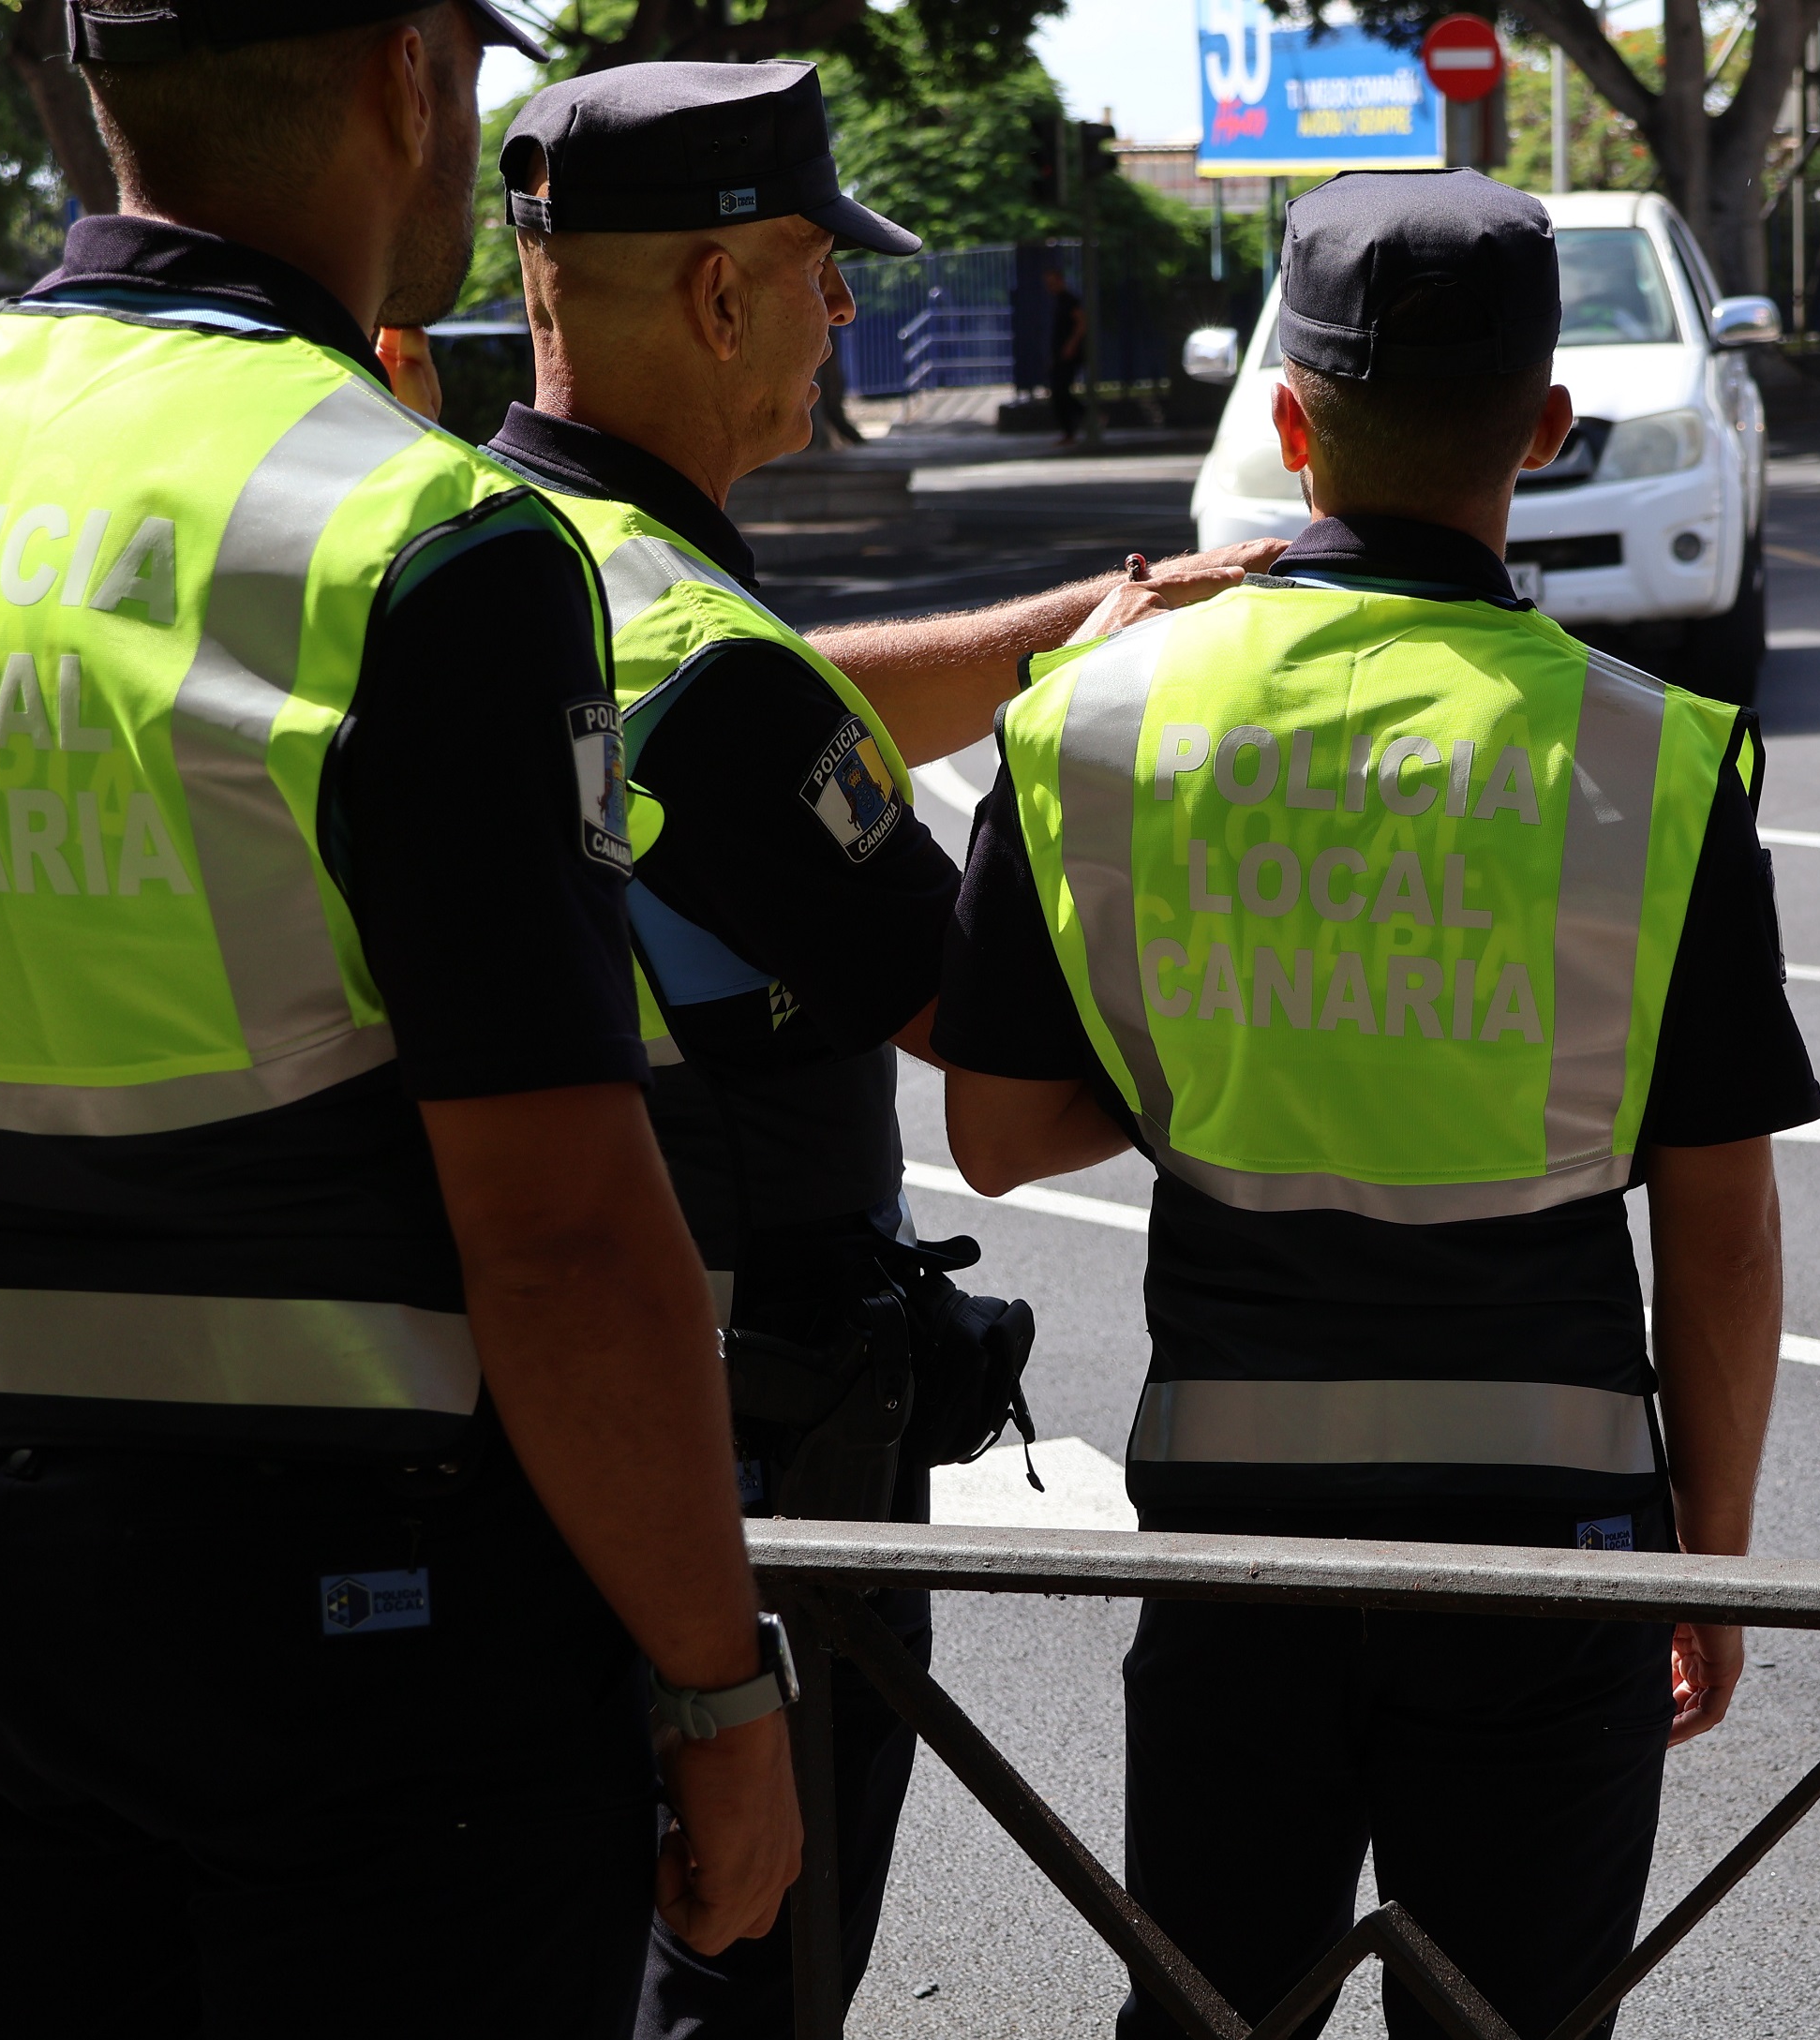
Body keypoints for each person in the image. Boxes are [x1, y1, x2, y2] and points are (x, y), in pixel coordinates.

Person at [0, 6, 801, 2037]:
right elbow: (564, 1231)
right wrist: (714, 1678)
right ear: (403, 83)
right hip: (367, 1647)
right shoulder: (426, 538)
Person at [938, 169, 1820, 2039]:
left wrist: (1232, 1039)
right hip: (1551, 1544)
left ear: (1285, 424)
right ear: (1547, 430)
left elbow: (1001, 1135)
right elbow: (1722, 1223)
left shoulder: (1096, 720)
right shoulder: (1649, 759)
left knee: (1211, 2010)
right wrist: (1710, 1551)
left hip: (1235, 1544)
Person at [478, 61, 1280, 2040]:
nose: (851, 319)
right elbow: (983, 1045)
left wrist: (1059, 624)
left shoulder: (487, 538)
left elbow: (772, 700)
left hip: (505, 1434)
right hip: (744, 1478)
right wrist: (1072, 740)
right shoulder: (708, 671)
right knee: (738, 1978)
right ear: (724, 295)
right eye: (827, 275)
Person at [1046, 262, 1086, 446]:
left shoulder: (1069, 300)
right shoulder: (1059, 301)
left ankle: (1084, 419)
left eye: (1053, 283)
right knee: (1059, 391)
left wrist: (1071, 345)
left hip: (1070, 353)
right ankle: (1070, 430)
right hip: (1061, 353)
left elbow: (1081, 323)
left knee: (1061, 391)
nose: (1050, 287)